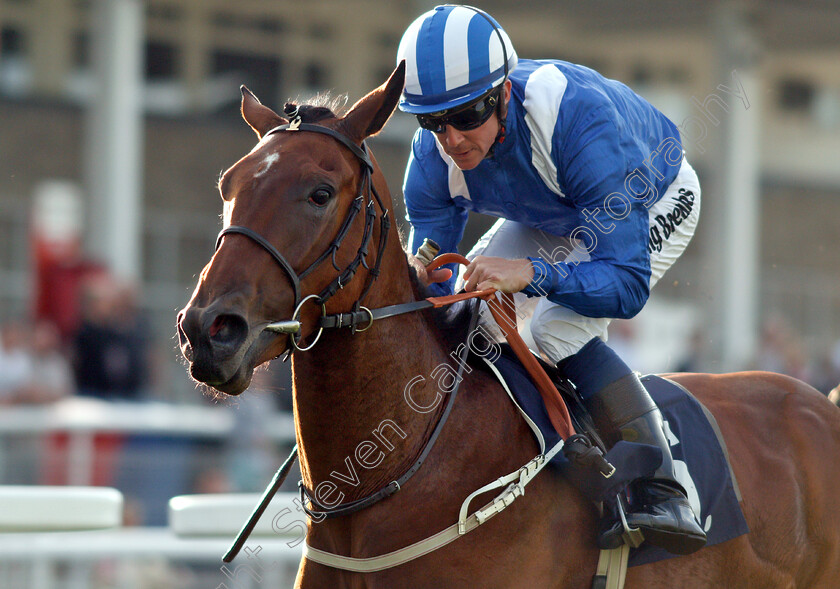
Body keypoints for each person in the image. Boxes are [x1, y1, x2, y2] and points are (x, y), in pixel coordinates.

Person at [397, 5, 705, 555]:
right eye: (432, 122)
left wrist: (534, 274)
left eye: (466, 115)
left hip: (646, 202)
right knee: (479, 326)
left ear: (503, 96)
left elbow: (625, 285)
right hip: (551, 212)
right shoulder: (430, 161)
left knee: (548, 333)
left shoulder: (577, 119)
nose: (451, 139)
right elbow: (437, 281)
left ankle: (661, 486)